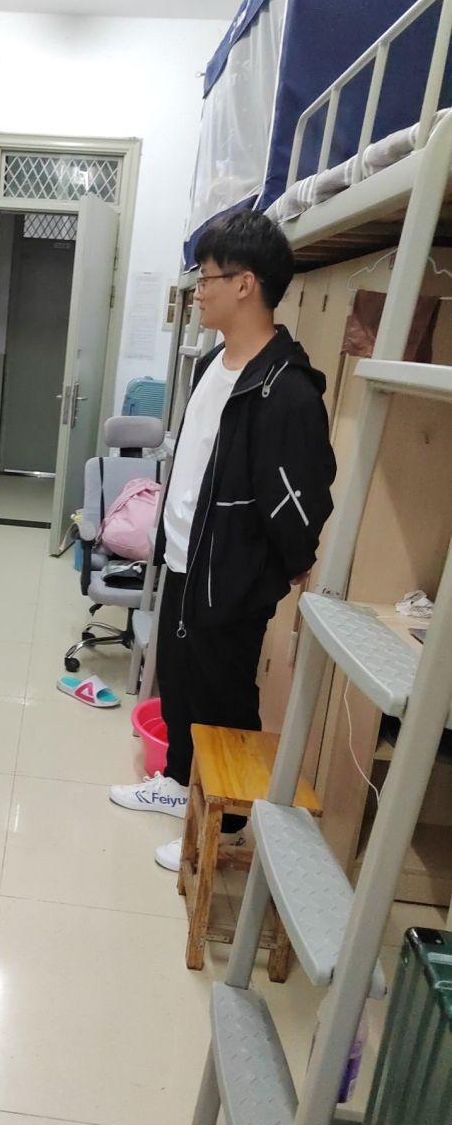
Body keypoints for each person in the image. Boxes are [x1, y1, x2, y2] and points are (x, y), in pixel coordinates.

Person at [109, 210, 336, 872]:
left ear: (246, 284)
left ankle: (227, 824)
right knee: (180, 684)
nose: (198, 290)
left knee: (224, 699)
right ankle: (178, 781)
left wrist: (280, 568)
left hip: (230, 575)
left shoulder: (285, 388)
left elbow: (304, 492)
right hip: (185, 557)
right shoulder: (213, 363)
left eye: (207, 278)